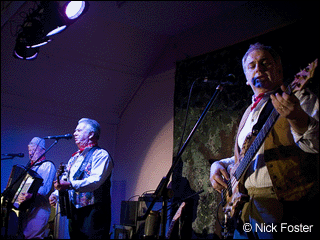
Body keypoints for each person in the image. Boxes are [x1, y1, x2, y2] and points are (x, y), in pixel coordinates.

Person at [210, 43, 319, 239]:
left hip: (284, 205)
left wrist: (298, 119)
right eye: (252, 66)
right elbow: (246, 155)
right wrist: (218, 165)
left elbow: (316, 146)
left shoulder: (298, 97)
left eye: (265, 63)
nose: (258, 69)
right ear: (246, 78)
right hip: (245, 207)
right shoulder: (247, 113)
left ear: (278, 69)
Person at [49, 118, 114, 239]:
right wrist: (56, 194)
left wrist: (68, 185)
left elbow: (95, 181)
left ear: (91, 134)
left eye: (79, 130)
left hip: (94, 213)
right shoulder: (74, 158)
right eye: (75, 130)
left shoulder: (101, 155)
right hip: (74, 212)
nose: (74, 133)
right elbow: (66, 178)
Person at [18, 137, 56, 239]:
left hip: (39, 210)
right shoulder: (30, 168)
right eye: (29, 150)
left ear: (43, 150)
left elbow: (45, 189)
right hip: (26, 210)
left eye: (34, 150)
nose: (30, 153)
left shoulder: (48, 165)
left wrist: (30, 195)